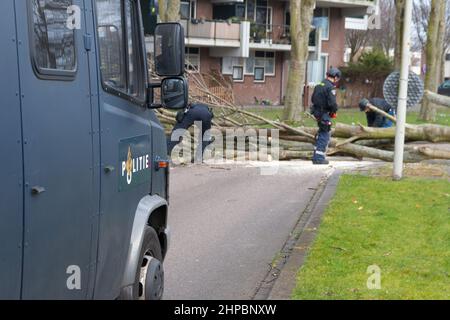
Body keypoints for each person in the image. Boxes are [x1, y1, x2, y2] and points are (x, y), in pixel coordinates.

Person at [310, 67, 341, 165]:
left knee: (320, 133)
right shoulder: (330, 87)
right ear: (335, 77)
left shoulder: (319, 85)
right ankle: (319, 158)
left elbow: (312, 98)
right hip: (324, 114)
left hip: (317, 112)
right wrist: (334, 111)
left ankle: (315, 156)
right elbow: (332, 103)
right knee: (325, 135)